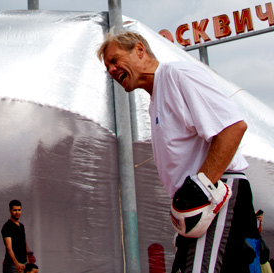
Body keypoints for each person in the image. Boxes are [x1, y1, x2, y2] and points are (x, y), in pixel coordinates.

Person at [97, 31, 260, 273]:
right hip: (195, 202)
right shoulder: (155, 101)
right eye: (107, 66)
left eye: (114, 60)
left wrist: (201, 187)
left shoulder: (176, 75)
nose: (111, 70)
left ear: (139, 50)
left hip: (217, 190)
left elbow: (233, 127)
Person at [2, 200, 35, 273]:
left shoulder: (21, 226)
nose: (17, 212)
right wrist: (16, 264)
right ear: (10, 211)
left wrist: (28, 262)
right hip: (12, 265)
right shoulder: (7, 227)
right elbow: (9, 247)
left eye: (19, 210)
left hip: (24, 264)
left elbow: (23, 244)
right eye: (15, 210)